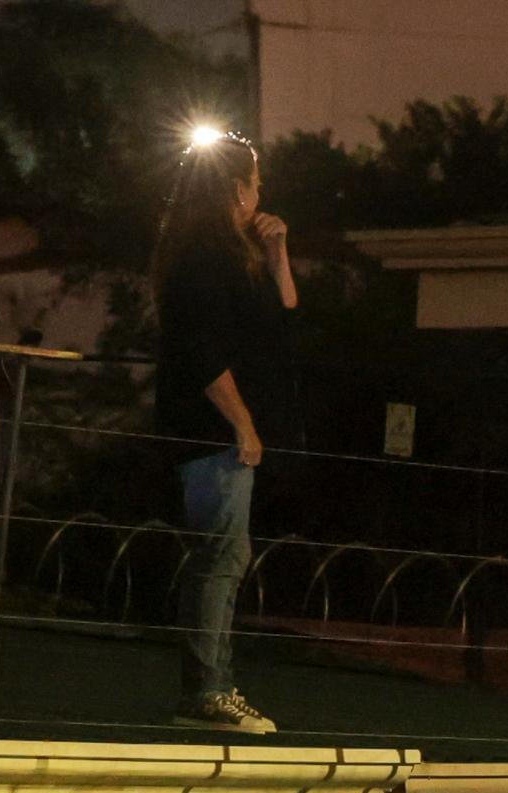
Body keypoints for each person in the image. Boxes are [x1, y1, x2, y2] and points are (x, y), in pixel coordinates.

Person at [152, 128, 295, 737]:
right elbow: (203, 355)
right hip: (211, 435)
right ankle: (208, 691)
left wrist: (280, 250)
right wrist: (242, 423)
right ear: (237, 188)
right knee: (220, 555)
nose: (262, 192)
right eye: (257, 181)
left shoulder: (234, 253)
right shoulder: (204, 259)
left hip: (225, 434)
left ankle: (212, 687)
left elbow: (286, 310)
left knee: (225, 553)